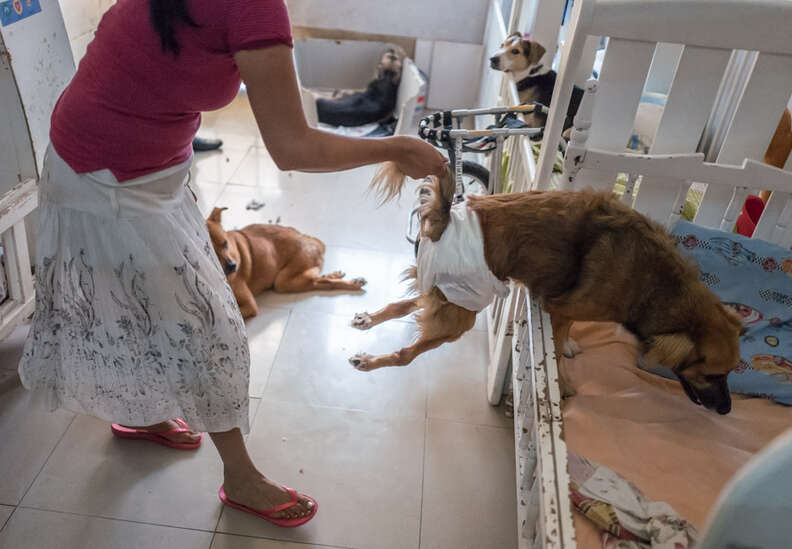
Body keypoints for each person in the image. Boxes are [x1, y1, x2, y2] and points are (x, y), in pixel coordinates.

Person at [18, 0, 446, 527]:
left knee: (139, 298)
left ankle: (142, 414)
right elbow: (292, 146)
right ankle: (240, 476)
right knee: (207, 326)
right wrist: (394, 148)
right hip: (101, 172)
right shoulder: (254, 5)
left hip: (152, 164)